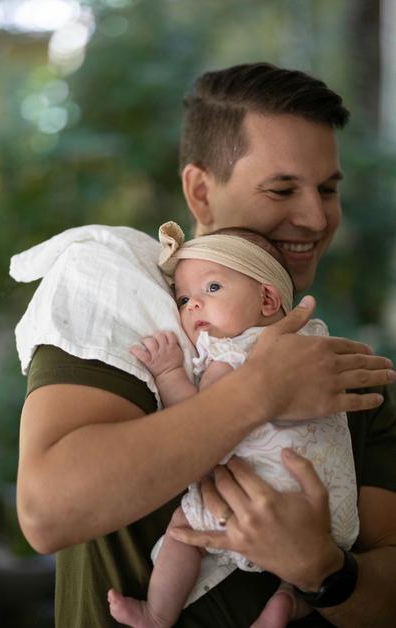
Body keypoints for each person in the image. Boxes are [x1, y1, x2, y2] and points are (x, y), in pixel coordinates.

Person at [10, 62, 396, 628]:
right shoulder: (120, 294)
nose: (316, 217)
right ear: (199, 190)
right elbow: (47, 511)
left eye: (328, 189)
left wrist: (324, 570)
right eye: (282, 188)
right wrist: (258, 392)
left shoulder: (349, 378)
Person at [107, 222, 360, 628]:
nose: (191, 306)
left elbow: (198, 423)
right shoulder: (314, 345)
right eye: (184, 297)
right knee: (303, 577)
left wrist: (171, 372)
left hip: (253, 499)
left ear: (266, 298)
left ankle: (156, 614)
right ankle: (288, 600)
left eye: (212, 289)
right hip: (333, 516)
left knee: (183, 529)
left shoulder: (233, 354)